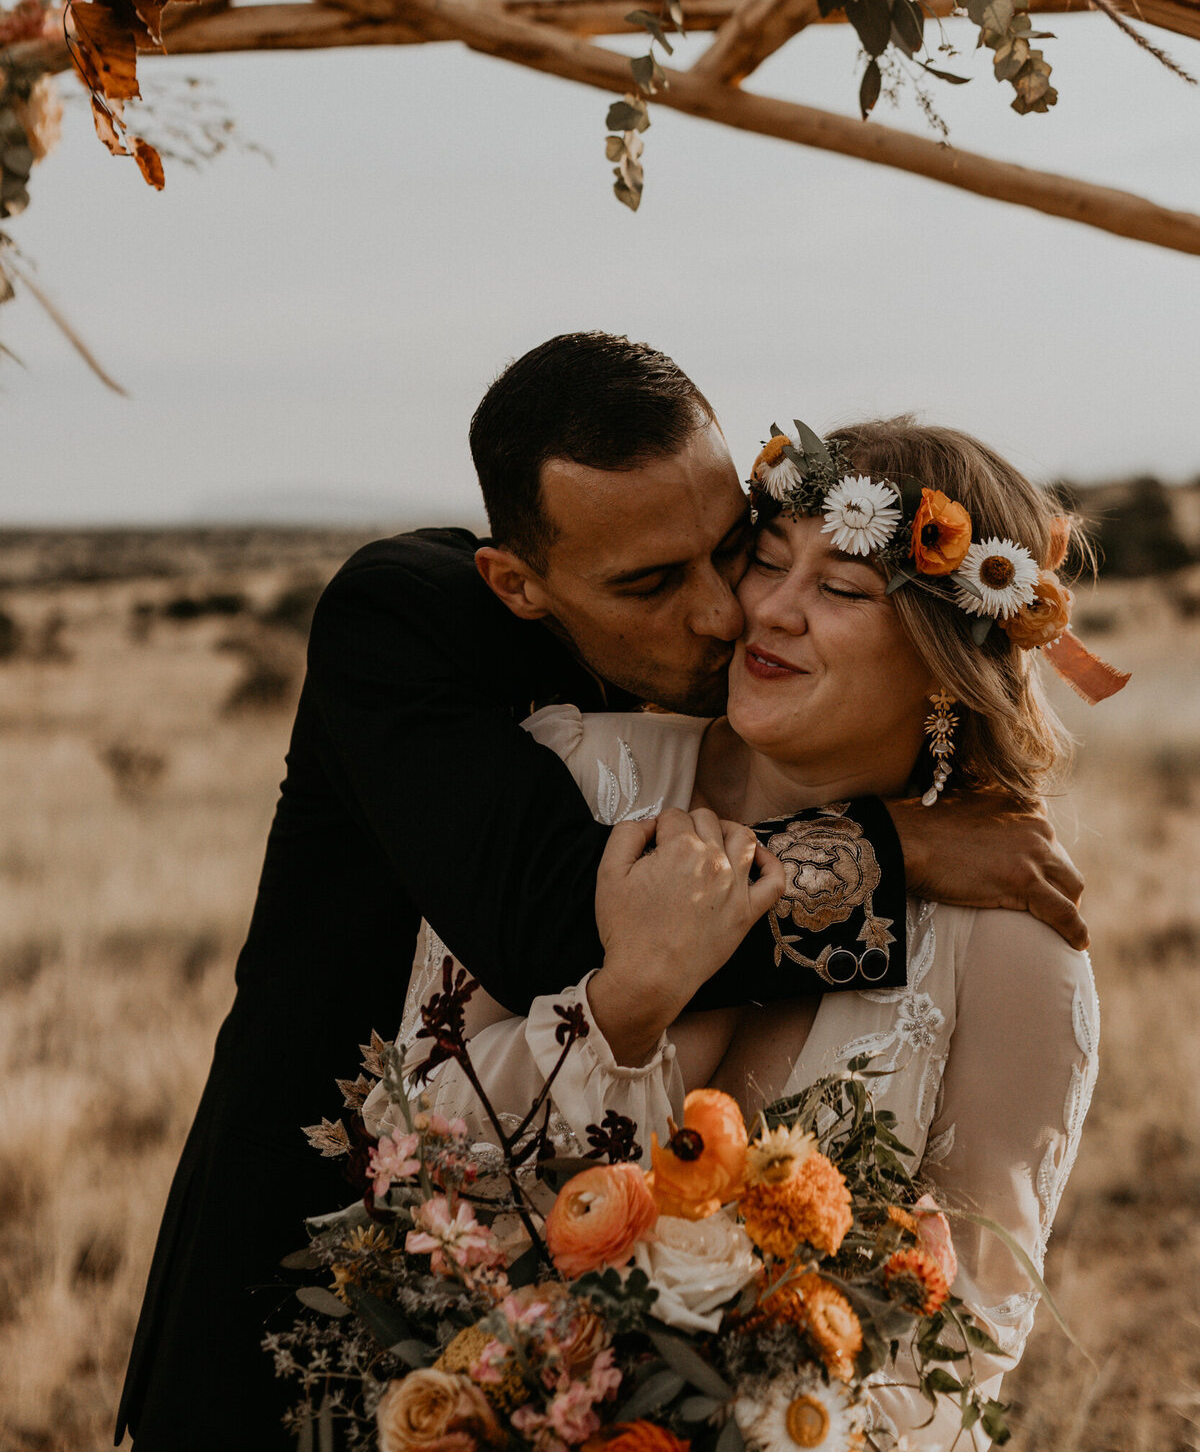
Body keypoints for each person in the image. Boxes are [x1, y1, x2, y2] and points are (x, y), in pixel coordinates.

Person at [117, 336, 1086, 1449]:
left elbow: (976, 1308)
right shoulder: (438, 652)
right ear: (519, 586)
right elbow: (551, 919)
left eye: (735, 549)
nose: (734, 613)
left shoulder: (1011, 929)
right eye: (653, 584)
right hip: (309, 1299)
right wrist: (884, 850)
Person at [387, 411, 1103, 1449]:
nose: (769, 610)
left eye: (842, 589)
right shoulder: (578, 777)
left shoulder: (1012, 934)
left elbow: (973, 1327)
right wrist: (624, 1012)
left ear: (949, 665)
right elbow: (415, 1140)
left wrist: (770, 1431)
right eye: (766, 563)